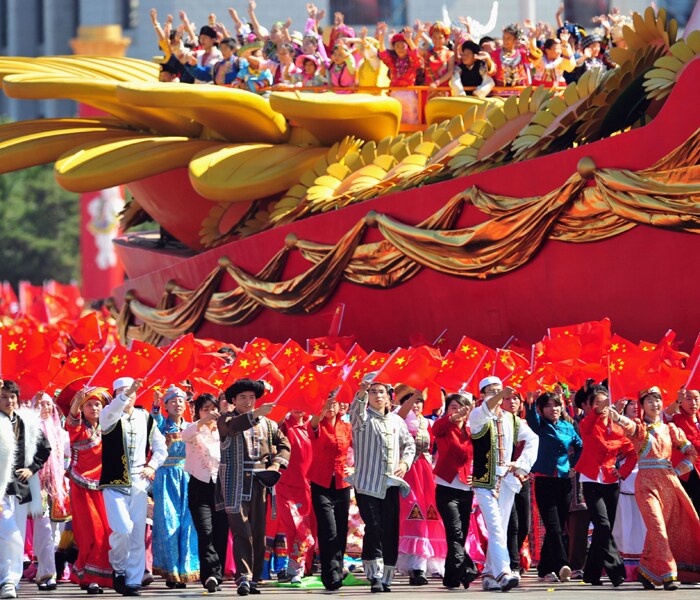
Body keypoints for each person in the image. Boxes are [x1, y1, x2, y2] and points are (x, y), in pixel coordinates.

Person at [610, 387, 700, 589]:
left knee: (661, 530)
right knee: (657, 527)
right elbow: (628, 426)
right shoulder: (640, 429)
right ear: (642, 406)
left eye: (657, 400)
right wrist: (616, 417)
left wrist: (677, 472)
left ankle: (646, 571)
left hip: (669, 484)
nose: (655, 405)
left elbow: (690, 452)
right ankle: (669, 575)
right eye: (649, 401)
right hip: (647, 484)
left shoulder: (670, 430)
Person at [216, 378, 291, 597]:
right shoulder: (226, 419)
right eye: (243, 398)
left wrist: (277, 463)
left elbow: (284, 445)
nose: (248, 402)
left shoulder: (268, 424)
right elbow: (233, 428)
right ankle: (243, 578)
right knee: (242, 531)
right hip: (234, 483)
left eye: (251, 398)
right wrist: (256, 413)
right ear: (233, 400)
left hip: (261, 483)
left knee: (258, 533)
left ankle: (255, 578)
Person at [468, 376, 538, 591]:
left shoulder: (513, 420)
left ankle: (489, 574)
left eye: (500, 390)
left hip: (507, 482)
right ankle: (505, 572)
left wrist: (521, 464)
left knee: (502, 526)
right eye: (492, 391)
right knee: (497, 527)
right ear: (482, 395)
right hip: (484, 482)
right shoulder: (478, 415)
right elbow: (488, 408)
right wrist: (500, 395)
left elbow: (534, 439)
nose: (499, 394)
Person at [348, 373, 416, 593]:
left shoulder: (397, 420)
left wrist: (405, 464)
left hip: (391, 483)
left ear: (389, 397)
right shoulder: (362, 418)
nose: (377, 395)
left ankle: (387, 575)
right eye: (373, 392)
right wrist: (360, 391)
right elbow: (354, 411)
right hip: (367, 483)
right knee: (374, 526)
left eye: (381, 392)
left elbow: (409, 445)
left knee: (390, 529)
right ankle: (374, 575)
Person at [99, 378, 167, 597]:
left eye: (130, 391)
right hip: (113, 483)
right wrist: (127, 393)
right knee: (122, 528)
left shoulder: (145, 417)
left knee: (138, 532)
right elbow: (115, 408)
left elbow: (160, 448)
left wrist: (152, 466)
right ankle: (118, 568)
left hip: (139, 481)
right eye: (121, 392)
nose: (127, 395)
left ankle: (133, 580)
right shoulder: (108, 415)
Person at [575, 387, 636, 587]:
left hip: (610, 481)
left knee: (604, 530)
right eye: (597, 403)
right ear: (591, 406)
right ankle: (616, 570)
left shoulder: (618, 429)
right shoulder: (588, 424)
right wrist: (597, 410)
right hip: (591, 479)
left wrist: (624, 471)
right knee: (603, 526)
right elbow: (589, 421)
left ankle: (591, 573)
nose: (602, 406)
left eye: (604, 403)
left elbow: (632, 452)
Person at [0, 380, 51, 600]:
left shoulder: (27, 422)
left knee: (16, 534)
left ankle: (11, 580)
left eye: (12, 396)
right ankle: (7, 579)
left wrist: (31, 469)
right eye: (3, 396)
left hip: (19, 487)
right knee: (8, 532)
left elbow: (43, 449)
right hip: (1, 488)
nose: (9, 400)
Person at [525, 390, 582, 584]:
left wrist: (575, 466)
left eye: (556, 404)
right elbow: (531, 419)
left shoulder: (568, 426)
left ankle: (544, 569)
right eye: (548, 405)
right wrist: (530, 403)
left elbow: (580, 445)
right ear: (541, 409)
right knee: (553, 526)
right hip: (544, 480)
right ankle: (562, 564)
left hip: (564, 481)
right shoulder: (539, 425)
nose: (553, 409)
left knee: (558, 525)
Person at [394, 385, 445, 585]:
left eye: (418, 401)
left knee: (430, 515)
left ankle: (429, 563)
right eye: (410, 400)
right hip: (407, 473)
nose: (415, 405)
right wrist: (414, 394)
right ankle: (416, 567)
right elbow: (401, 414)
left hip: (427, 475)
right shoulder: (399, 420)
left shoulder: (428, 423)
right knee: (412, 516)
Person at [65, 386, 114, 595]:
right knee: (90, 532)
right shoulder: (78, 428)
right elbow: (71, 421)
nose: (94, 408)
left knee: (106, 531)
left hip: (104, 487)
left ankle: (98, 575)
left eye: (97, 404)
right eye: (89, 404)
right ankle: (90, 576)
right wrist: (77, 401)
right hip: (81, 486)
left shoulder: (109, 428)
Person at [151, 386, 199, 588]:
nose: (177, 404)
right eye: (172, 401)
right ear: (166, 405)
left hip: (187, 476)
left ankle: (185, 569)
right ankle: (171, 572)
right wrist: (154, 406)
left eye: (180, 401)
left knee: (188, 524)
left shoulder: (190, 426)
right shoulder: (162, 425)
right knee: (169, 524)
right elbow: (154, 421)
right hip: (166, 477)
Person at [182, 393, 227, 594]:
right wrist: (203, 421)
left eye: (212, 408)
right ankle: (210, 574)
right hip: (199, 485)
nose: (210, 412)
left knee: (220, 532)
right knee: (205, 530)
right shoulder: (193, 429)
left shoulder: (224, 430)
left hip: (222, 486)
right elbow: (185, 435)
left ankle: (217, 574)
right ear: (198, 411)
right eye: (205, 408)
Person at [307, 391, 353, 590]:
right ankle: (331, 574)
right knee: (328, 528)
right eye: (328, 403)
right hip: (320, 483)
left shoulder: (347, 426)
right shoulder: (316, 425)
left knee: (341, 530)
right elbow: (312, 427)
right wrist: (322, 408)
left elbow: (358, 449)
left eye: (335, 403)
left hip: (342, 483)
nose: (332, 407)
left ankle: (338, 568)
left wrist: (355, 468)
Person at [432, 392, 478, 589]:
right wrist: (453, 418)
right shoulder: (444, 427)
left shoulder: (471, 430)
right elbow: (436, 428)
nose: (458, 411)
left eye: (462, 408)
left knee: (460, 534)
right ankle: (467, 570)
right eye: (453, 407)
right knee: (455, 531)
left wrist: (477, 477)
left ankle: (452, 578)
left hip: (466, 488)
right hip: (446, 486)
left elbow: (480, 457)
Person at [270, 409, 314, 584]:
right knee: (292, 526)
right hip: (285, 485)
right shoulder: (283, 425)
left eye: (302, 404)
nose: (299, 407)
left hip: (307, 486)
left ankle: (298, 566)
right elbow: (273, 426)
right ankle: (295, 566)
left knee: (304, 527)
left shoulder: (311, 425)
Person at [32, 392, 70, 592]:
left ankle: (47, 571)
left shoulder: (61, 433)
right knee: (43, 529)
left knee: (57, 532)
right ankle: (47, 572)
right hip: (35, 485)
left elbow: (72, 456)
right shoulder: (30, 430)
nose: (45, 408)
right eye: (40, 404)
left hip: (58, 486)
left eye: (48, 404)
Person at [611, 399, 647, 581]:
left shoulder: (654, 425)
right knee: (626, 525)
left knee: (645, 526)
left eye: (637, 403)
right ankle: (625, 568)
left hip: (648, 481)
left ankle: (648, 566)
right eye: (631, 403)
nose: (635, 407)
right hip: (625, 482)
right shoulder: (620, 425)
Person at [502, 393, 531, 577]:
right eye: (507, 398)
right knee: (510, 523)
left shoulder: (525, 425)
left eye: (515, 398)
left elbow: (533, 446)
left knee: (524, 524)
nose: (511, 402)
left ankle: (514, 555)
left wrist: (523, 467)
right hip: (504, 479)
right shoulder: (495, 423)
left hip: (522, 478)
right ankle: (512, 563)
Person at [664, 387, 700, 516]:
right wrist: (676, 401)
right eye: (688, 399)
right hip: (686, 472)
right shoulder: (677, 419)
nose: (693, 403)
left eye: (696, 399)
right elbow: (666, 415)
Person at [377, 24, 422, 124]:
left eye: (403, 46)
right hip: (395, 94)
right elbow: (383, 55)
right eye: (397, 46)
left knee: (412, 121)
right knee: (395, 120)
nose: (400, 48)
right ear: (394, 48)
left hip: (409, 94)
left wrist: (410, 40)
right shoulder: (393, 61)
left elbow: (416, 57)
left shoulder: (411, 61)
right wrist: (381, 38)